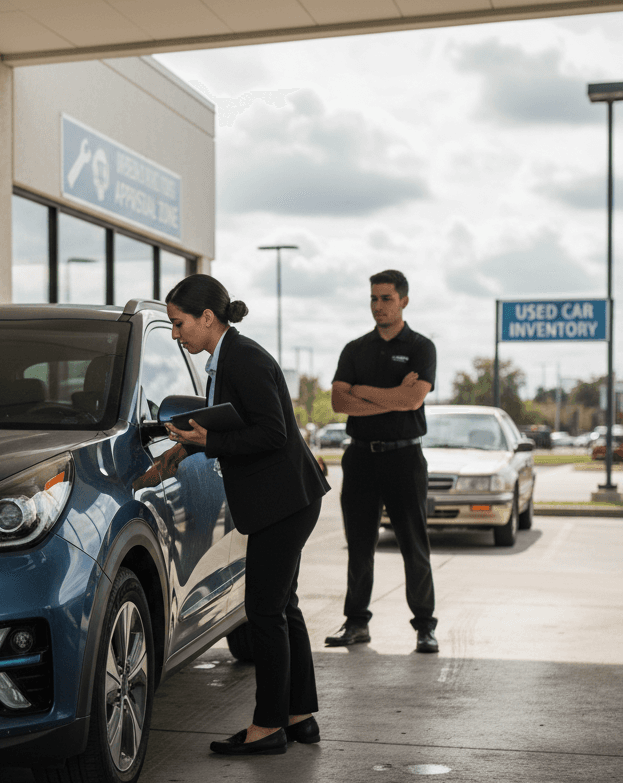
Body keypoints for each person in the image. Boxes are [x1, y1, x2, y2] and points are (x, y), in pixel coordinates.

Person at [166, 274, 330, 755]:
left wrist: (209, 443)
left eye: (179, 324)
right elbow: (236, 424)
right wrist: (186, 449)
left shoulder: (245, 358)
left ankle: (267, 727)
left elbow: (273, 433)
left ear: (207, 318)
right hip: (286, 500)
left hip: (284, 503)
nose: (176, 335)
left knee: (263, 611)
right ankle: (300, 717)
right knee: (283, 607)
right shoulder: (228, 358)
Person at [326, 269, 439, 654]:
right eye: (373, 298)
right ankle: (356, 623)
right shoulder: (355, 349)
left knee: (414, 543)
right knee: (359, 545)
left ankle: (425, 626)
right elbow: (339, 403)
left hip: (404, 457)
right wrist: (390, 394)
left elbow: (412, 401)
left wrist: (363, 392)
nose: (378, 306)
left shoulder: (422, 347)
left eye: (386, 298)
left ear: (404, 300)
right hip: (359, 457)